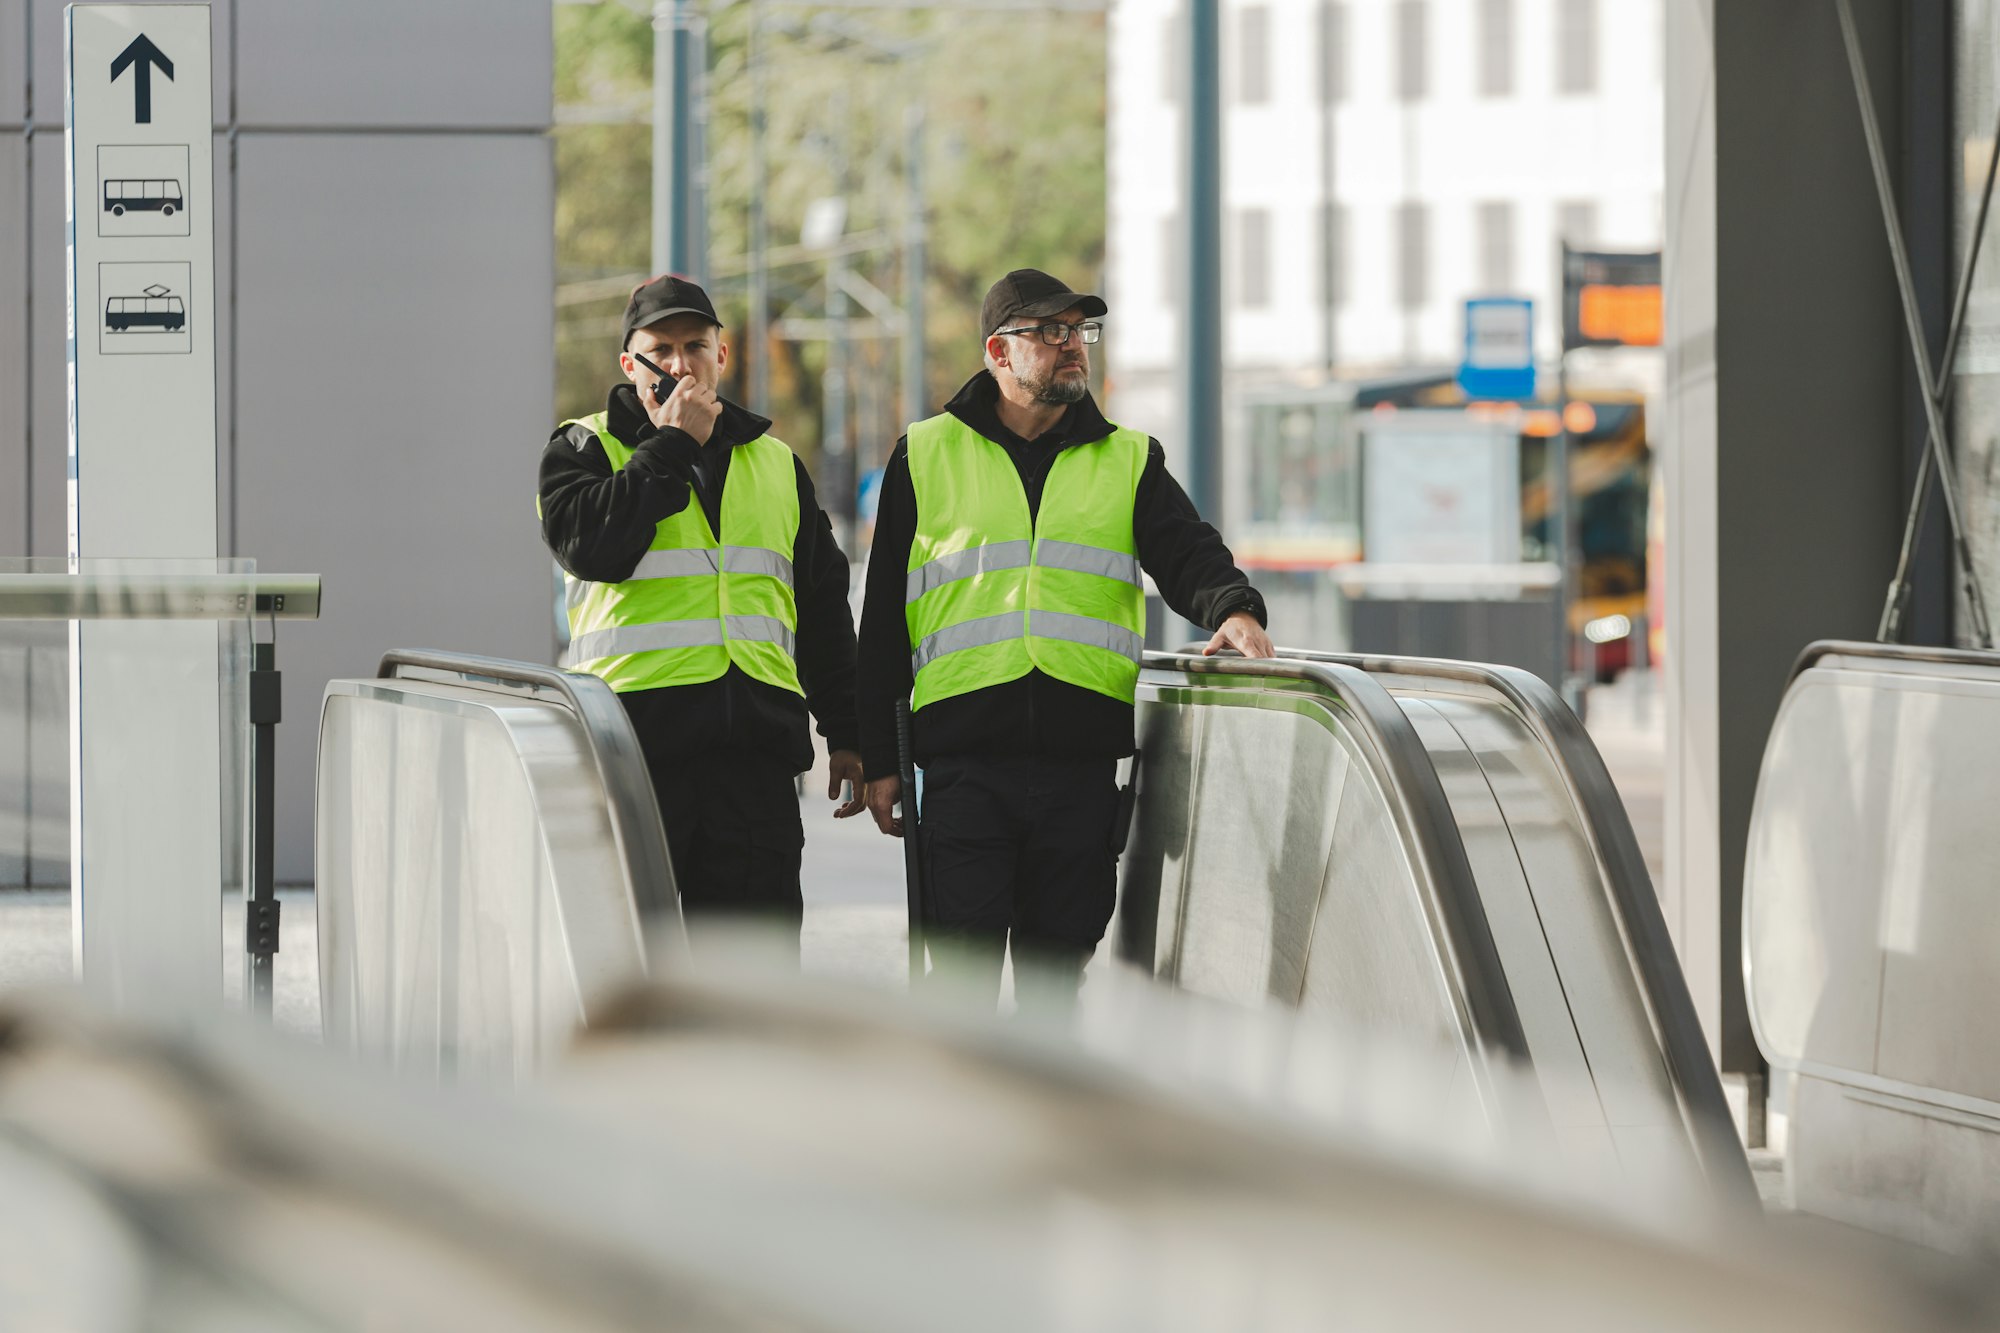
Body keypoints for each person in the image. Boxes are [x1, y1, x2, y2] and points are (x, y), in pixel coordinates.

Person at [857, 267, 1273, 1011]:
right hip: (962, 771)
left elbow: (1188, 552)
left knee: (1055, 994)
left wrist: (1234, 609)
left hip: (1079, 776)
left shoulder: (1128, 460)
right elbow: (883, 617)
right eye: (1050, 332)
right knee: (959, 986)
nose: (1072, 346)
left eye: (1079, 332)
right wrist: (882, 762)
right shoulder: (924, 454)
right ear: (999, 350)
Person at [539, 274, 865, 958]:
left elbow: (822, 606)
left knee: (754, 990)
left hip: (754, 762)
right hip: (633, 758)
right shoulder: (582, 449)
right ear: (629, 364)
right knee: (632, 980)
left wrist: (848, 732)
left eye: (696, 346)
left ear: (724, 356)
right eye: (661, 348)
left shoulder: (775, 463)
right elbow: (591, 547)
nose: (681, 364)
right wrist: (674, 445)